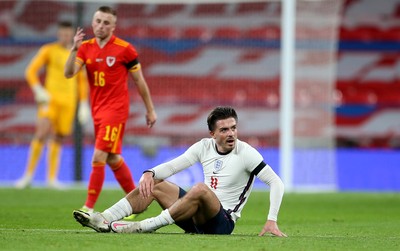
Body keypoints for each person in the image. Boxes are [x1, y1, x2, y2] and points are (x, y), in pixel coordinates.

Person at [73, 106, 287, 237]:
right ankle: (104, 218)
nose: (231, 133)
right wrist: (149, 172)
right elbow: (174, 166)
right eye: (224, 129)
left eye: (233, 128)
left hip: (222, 223)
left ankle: (143, 226)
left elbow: (276, 182)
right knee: (156, 182)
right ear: (212, 133)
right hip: (194, 217)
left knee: (201, 189)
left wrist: (271, 219)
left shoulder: (246, 153)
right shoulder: (203, 146)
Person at [64, 6, 157, 212]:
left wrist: (150, 109)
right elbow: (69, 73)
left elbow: (139, 81)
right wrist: (73, 50)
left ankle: (88, 208)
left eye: (106, 23)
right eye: (98, 21)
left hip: (116, 111)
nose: (101, 26)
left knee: (98, 156)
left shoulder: (125, 49)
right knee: (112, 158)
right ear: (92, 22)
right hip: (97, 110)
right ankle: (138, 203)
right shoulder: (85, 47)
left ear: (114, 26)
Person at [15, 21, 89, 189]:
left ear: (72, 35)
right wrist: (38, 90)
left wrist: (83, 103)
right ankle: (28, 176)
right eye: (62, 34)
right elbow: (30, 71)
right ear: (58, 34)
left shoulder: (78, 55)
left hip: (69, 102)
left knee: (59, 137)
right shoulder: (48, 50)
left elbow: (82, 81)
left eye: (68, 34)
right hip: (50, 100)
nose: (65, 37)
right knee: (41, 133)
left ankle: (51, 179)